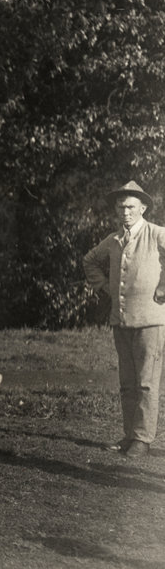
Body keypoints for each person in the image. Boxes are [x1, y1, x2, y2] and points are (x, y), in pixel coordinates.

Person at [82, 180, 165, 458]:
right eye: (120, 207)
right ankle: (130, 435)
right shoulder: (114, 239)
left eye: (130, 206)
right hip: (121, 321)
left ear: (143, 208)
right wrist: (104, 286)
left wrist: (164, 286)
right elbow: (89, 261)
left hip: (151, 321)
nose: (125, 212)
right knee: (127, 383)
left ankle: (143, 438)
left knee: (146, 382)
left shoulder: (156, 234)